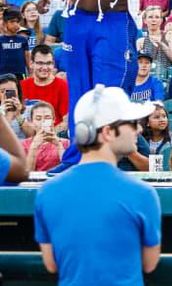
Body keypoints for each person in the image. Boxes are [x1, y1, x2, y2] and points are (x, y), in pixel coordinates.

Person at [44, 0, 150, 173]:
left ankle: (109, 158)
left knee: (108, 91)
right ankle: (75, 158)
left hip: (114, 22)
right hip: (78, 21)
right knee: (79, 90)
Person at [34, 85, 161, 284]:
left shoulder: (46, 193)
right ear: (108, 132)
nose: (139, 128)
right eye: (132, 123)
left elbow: (51, 264)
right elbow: (149, 263)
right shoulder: (142, 193)